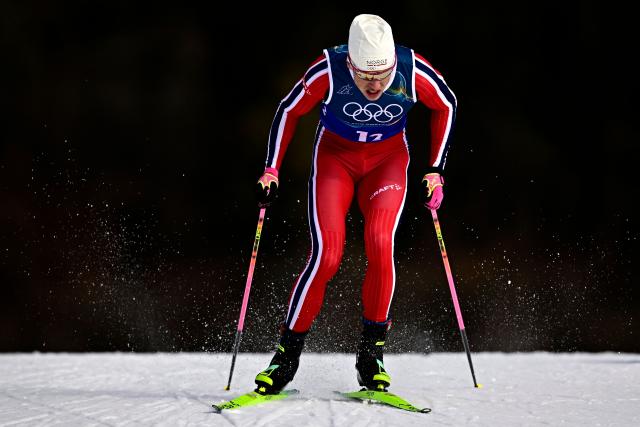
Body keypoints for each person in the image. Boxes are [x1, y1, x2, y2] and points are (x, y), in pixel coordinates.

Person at [253, 14, 457, 394]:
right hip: (335, 161)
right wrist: (271, 168)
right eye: (365, 77)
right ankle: (285, 357)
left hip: (388, 163)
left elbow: (446, 103)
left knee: (381, 244)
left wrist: (435, 170)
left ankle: (371, 357)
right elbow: (288, 110)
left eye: (383, 76)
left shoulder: (412, 70)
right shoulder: (329, 69)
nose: (376, 85)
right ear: (351, 64)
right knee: (328, 255)